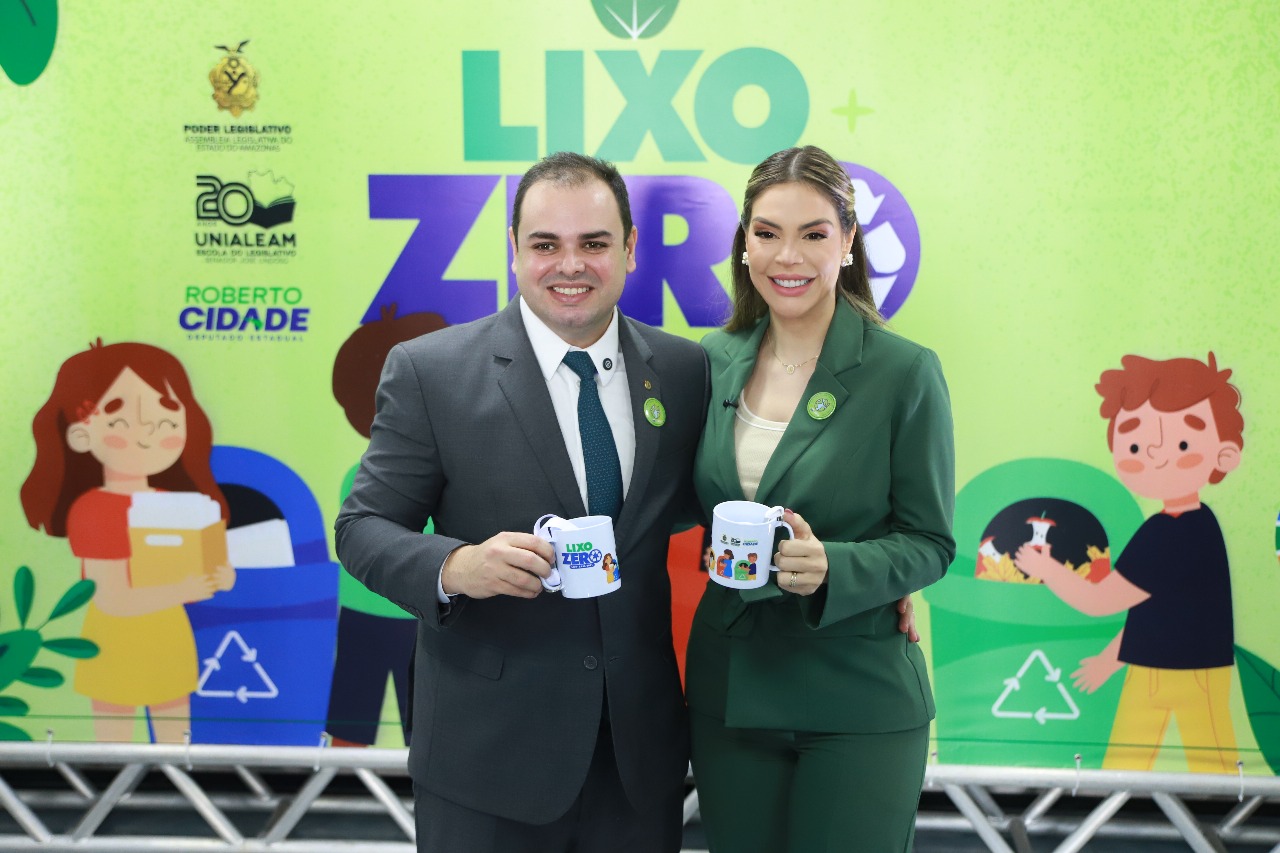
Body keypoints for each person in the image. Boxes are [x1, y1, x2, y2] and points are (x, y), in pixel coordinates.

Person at [334, 152, 709, 852]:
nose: (570, 265)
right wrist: (455, 567)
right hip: (488, 760)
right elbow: (361, 528)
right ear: (514, 250)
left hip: (637, 763)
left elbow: (711, 504)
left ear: (630, 248)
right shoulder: (431, 372)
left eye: (594, 243)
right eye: (545, 244)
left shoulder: (685, 371)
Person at [686, 146, 956, 853]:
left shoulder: (904, 372)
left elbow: (930, 542)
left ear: (848, 242)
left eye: (813, 233)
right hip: (730, 689)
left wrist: (837, 566)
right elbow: (666, 498)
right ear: (745, 244)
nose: (788, 256)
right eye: (768, 232)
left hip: (856, 694)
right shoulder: (708, 362)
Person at [1015, 353, 1243, 772]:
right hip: (1148, 670)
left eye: (1182, 444)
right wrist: (1111, 659)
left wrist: (1048, 569)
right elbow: (1153, 610)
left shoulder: (1175, 532)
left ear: (1224, 455)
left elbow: (1101, 601)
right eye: (1135, 445)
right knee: (1126, 766)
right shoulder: (1175, 525)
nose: (1155, 454)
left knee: (1216, 769)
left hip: (1196, 673)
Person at [20, 340, 236, 743]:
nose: (150, 431)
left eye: (167, 414)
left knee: (177, 748)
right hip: (114, 644)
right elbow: (112, 598)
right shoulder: (92, 509)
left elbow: (213, 569)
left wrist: (221, 576)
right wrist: (185, 588)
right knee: (114, 748)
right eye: (122, 419)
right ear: (81, 434)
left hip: (169, 640)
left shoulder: (178, 503)